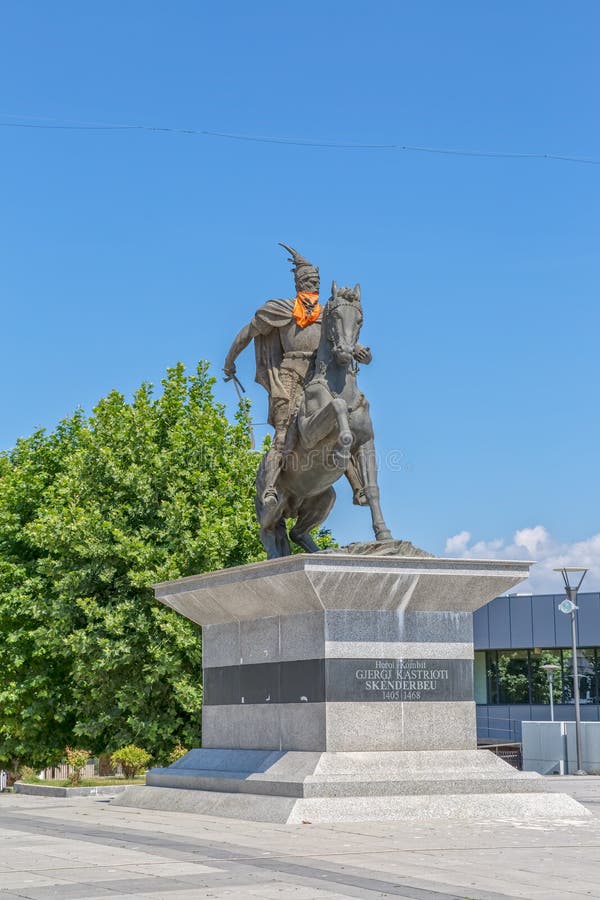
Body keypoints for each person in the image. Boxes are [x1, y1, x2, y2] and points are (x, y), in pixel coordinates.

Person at [223, 243, 371, 509]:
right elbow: (248, 333)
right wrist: (229, 360)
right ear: (297, 282)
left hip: (320, 376)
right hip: (289, 378)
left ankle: (358, 487)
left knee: (344, 421)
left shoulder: (328, 312)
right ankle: (270, 487)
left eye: (315, 279)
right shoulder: (281, 309)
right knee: (284, 433)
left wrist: (361, 352)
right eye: (307, 279)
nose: (312, 283)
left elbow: (343, 335)